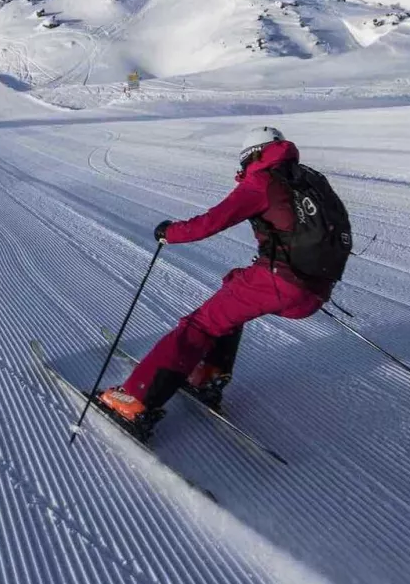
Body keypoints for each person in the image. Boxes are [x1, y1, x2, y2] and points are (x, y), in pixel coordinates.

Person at [96, 125, 336, 435]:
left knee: (199, 326)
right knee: (234, 285)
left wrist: (169, 233)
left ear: (253, 155)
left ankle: (136, 401)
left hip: (281, 282)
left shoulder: (263, 180)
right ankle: (207, 373)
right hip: (317, 288)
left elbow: (212, 221)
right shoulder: (310, 179)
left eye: (244, 163)